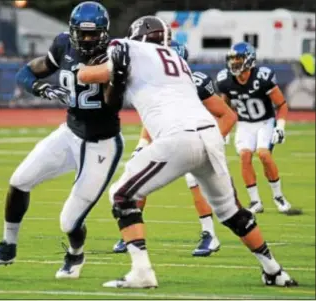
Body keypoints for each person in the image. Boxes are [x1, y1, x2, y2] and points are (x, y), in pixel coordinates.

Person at [77, 15, 298, 288]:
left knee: (121, 195)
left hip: (178, 137)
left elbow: (90, 74)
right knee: (231, 211)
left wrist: (83, 68)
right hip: (209, 135)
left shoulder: (132, 49)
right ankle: (274, 270)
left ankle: (142, 272)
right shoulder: (178, 61)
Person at [0, 1, 124, 280]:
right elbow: (26, 73)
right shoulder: (63, 45)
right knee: (19, 181)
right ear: (73, 31)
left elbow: (112, 103)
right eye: (84, 33)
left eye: (94, 34)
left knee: (69, 220)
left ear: (104, 33)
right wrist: (40, 87)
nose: (89, 39)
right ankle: (8, 246)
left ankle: (76, 255)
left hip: (101, 143)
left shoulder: (115, 54)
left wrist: (111, 76)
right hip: (69, 133)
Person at [112, 41, 225, 257]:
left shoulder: (196, 82)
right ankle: (130, 232)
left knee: (201, 186)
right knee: (139, 179)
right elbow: (151, 120)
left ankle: (210, 234)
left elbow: (227, 115)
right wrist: (142, 145)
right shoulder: (157, 87)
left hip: (196, 138)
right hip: (170, 138)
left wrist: (213, 140)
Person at [216, 42, 302, 215]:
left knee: (263, 154)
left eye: (238, 59)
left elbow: (282, 105)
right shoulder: (225, 80)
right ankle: (255, 202)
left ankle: (278, 197)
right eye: (232, 59)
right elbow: (224, 107)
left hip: (265, 122)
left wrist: (280, 127)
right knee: (245, 156)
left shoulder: (262, 77)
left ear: (249, 60)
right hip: (244, 124)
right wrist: (223, 129)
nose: (234, 63)